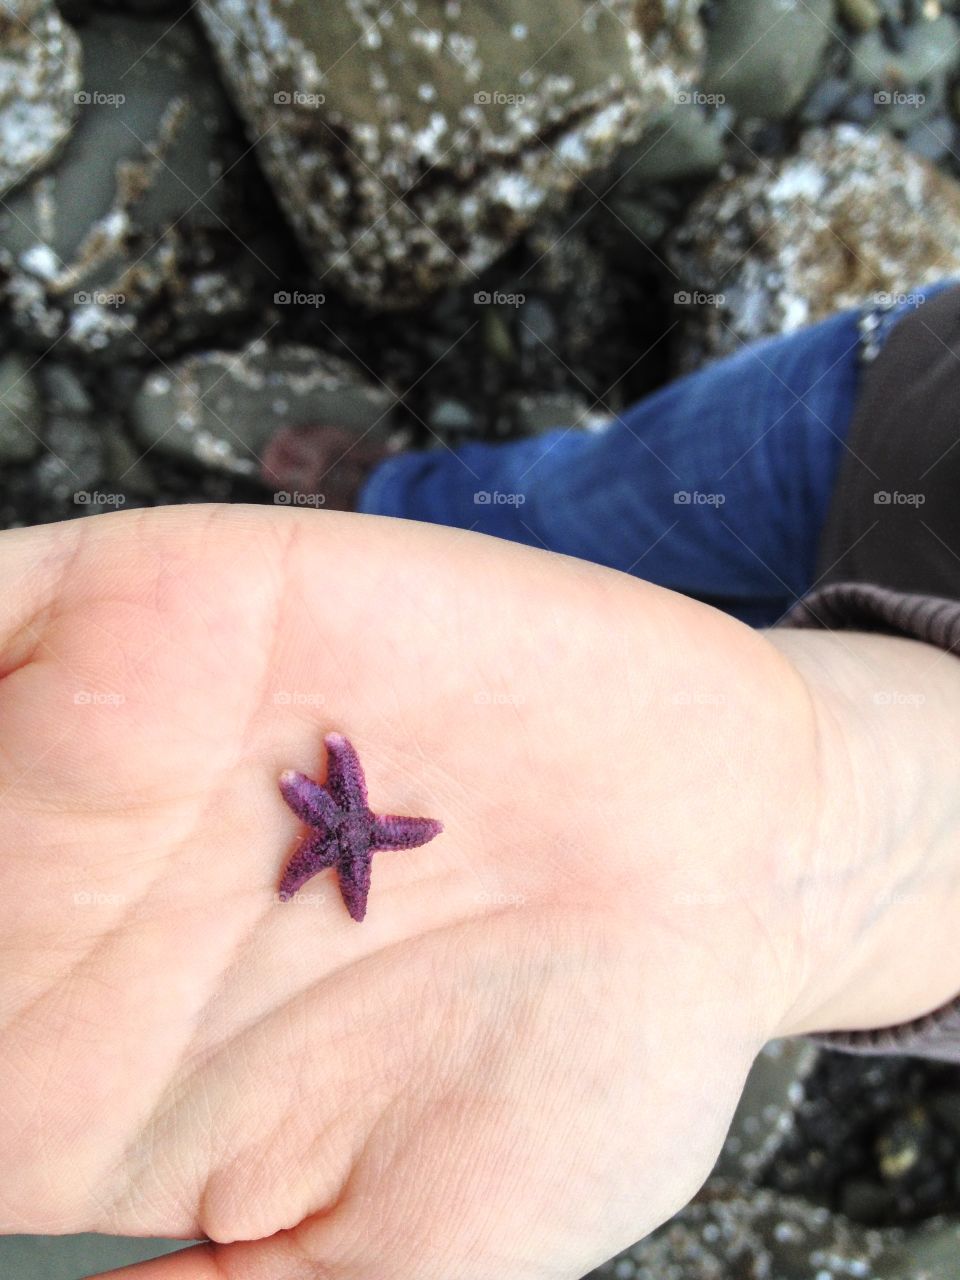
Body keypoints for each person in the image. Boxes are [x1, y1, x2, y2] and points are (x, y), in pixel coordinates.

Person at [1, 283, 960, 1280]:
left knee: (577, 533)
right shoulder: (350, 820)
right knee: (574, 506)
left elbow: (345, 822)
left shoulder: (357, 831)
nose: (345, 835)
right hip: (900, 405)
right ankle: (404, 501)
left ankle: (433, 511)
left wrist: (825, 817)